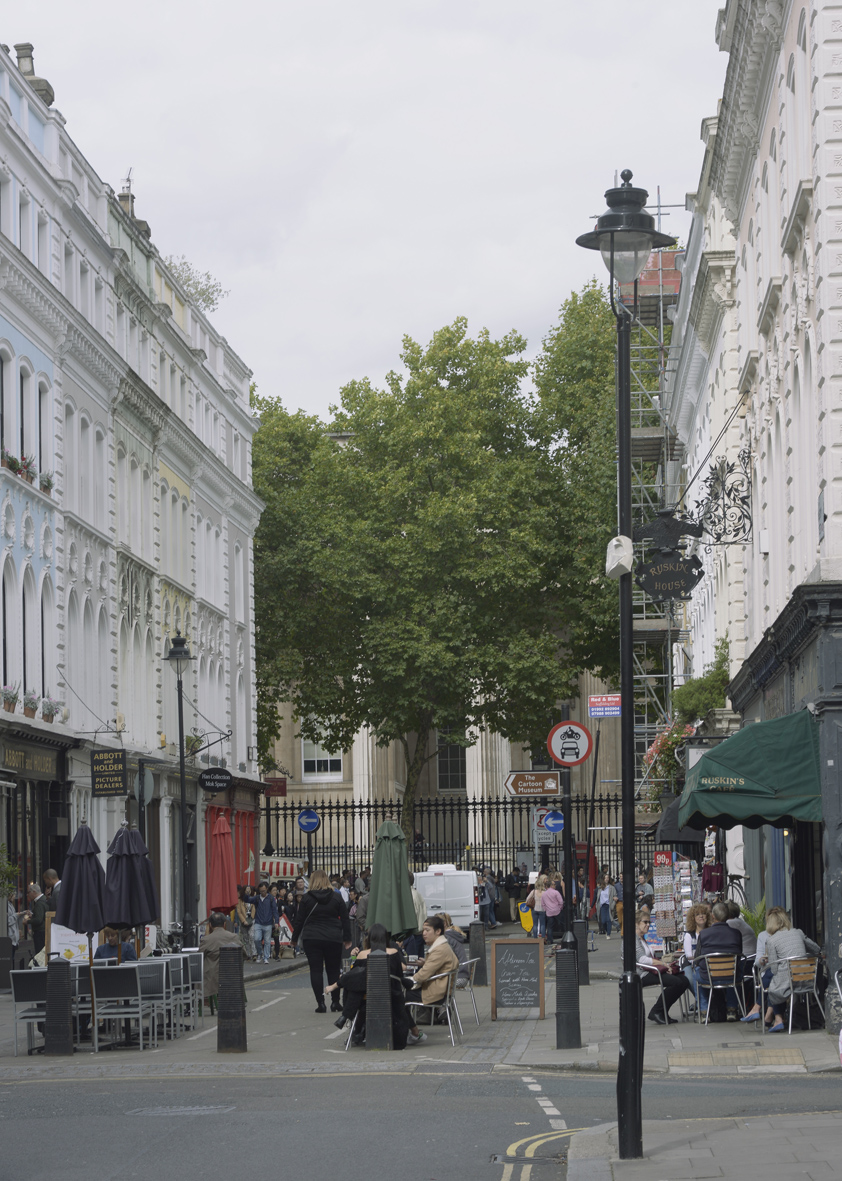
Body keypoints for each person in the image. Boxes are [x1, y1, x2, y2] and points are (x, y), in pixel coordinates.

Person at [325, 923, 410, 1047]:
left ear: (369, 938)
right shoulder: (394, 952)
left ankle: (347, 1017)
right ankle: (354, 1025)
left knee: (356, 984)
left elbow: (354, 974)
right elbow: (399, 974)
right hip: (391, 994)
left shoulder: (363, 954)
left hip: (366, 995)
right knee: (359, 982)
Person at [747, 909, 821, 1031]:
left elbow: (774, 968)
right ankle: (775, 1018)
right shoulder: (798, 932)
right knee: (773, 979)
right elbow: (816, 948)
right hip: (808, 980)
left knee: (771, 981)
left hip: (788, 983)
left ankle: (769, 1014)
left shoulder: (771, 940)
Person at [291, 868, 352, 1013]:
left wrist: (294, 939)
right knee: (333, 970)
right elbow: (345, 918)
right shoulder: (336, 897)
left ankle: (321, 1003)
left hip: (312, 937)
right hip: (333, 937)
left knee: (316, 970)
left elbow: (299, 921)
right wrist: (347, 938)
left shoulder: (306, 898)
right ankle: (335, 1002)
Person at [403, 914, 459, 1044]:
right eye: (423, 930)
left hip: (435, 993)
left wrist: (409, 980)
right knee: (400, 995)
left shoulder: (439, 950)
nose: (424, 933)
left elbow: (423, 975)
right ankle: (413, 1031)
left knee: (398, 997)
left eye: (427, 930)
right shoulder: (442, 947)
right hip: (439, 990)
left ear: (438, 931)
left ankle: (413, 1033)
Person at [635, 910, 690, 1024]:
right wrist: (662, 964)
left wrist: (665, 965)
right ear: (636, 923)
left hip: (651, 970)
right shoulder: (633, 939)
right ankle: (657, 1011)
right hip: (642, 974)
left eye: (649, 922)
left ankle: (662, 1011)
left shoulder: (642, 938)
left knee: (684, 980)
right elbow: (642, 960)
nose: (648, 925)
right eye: (645, 922)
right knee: (676, 982)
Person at [694, 900, 744, 1020]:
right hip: (731, 976)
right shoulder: (736, 933)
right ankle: (731, 1009)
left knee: (696, 972)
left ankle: (704, 1011)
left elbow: (697, 958)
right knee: (735, 969)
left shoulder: (704, 934)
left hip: (709, 977)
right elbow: (739, 955)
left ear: (713, 916)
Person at [200, 912, 245, 999]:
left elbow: (198, 958)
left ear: (210, 925)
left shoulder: (206, 940)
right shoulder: (234, 937)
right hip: (232, 976)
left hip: (212, 979)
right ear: (224, 924)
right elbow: (244, 954)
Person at [682, 903, 712, 1009]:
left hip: (708, 963)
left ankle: (704, 1002)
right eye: (697, 914)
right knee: (690, 978)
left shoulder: (710, 932)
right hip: (691, 964)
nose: (701, 916)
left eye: (703, 913)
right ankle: (702, 1001)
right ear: (693, 918)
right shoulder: (689, 935)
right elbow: (689, 955)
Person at [245, 881, 279, 965]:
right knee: (256, 939)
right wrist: (247, 893)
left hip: (268, 923)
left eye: (264, 890)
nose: (262, 893)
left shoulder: (271, 899)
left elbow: (275, 911)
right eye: (261, 891)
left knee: (267, 941)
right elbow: (247, 900)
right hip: (258, 922)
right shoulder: (257, 898)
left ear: (267, 889)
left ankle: (266, 957)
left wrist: (276, 922)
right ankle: (260, 953)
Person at [440, 912, 470, 987]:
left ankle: (445, 999)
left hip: (457, 978)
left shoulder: (447, 938)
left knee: (433, 984)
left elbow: (445, 960)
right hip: (463, 976)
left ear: (443, 924)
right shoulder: (453, 934)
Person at [405, 871, 428, 958]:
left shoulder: (410, 896)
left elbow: (411, 917)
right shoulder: (417, 894)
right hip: (418, 933)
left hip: (413, 934)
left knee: (413, 963)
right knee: (418, 961)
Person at [24, 883, 48, 954]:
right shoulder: (44, 899)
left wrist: (27, 921)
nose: (27, 895)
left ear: (34, 892)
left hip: (40, 933)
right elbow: (41, 915)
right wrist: (32, 915)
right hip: (44, 931)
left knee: (40, 954)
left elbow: (38, 920)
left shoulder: (39, 903)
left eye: (28, 892)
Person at [235, 885, 255, 960]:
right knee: (246, 938)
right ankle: (248, 954)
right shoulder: (240, 901)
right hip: (244, 921)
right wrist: (243, 921)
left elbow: (254, 909)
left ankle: (254, 953)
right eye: (246, 890)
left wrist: (253, 918)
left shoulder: (253, 899)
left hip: (252, 920)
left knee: (252, 936)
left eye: (249, 890)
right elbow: (239, 912)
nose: (248, 891)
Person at [541, 878, 564, 943]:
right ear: (551, 885)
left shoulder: (544, 894)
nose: (555, 886)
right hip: (557, 911)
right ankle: (564, 938)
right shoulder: (556, 892)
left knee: (550, 927)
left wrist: (546, 909)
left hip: (549, 912)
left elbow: (543, 904)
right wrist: (560, 908)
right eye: (554, 884)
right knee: (563, 924)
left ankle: (550, 940)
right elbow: (561, 902)